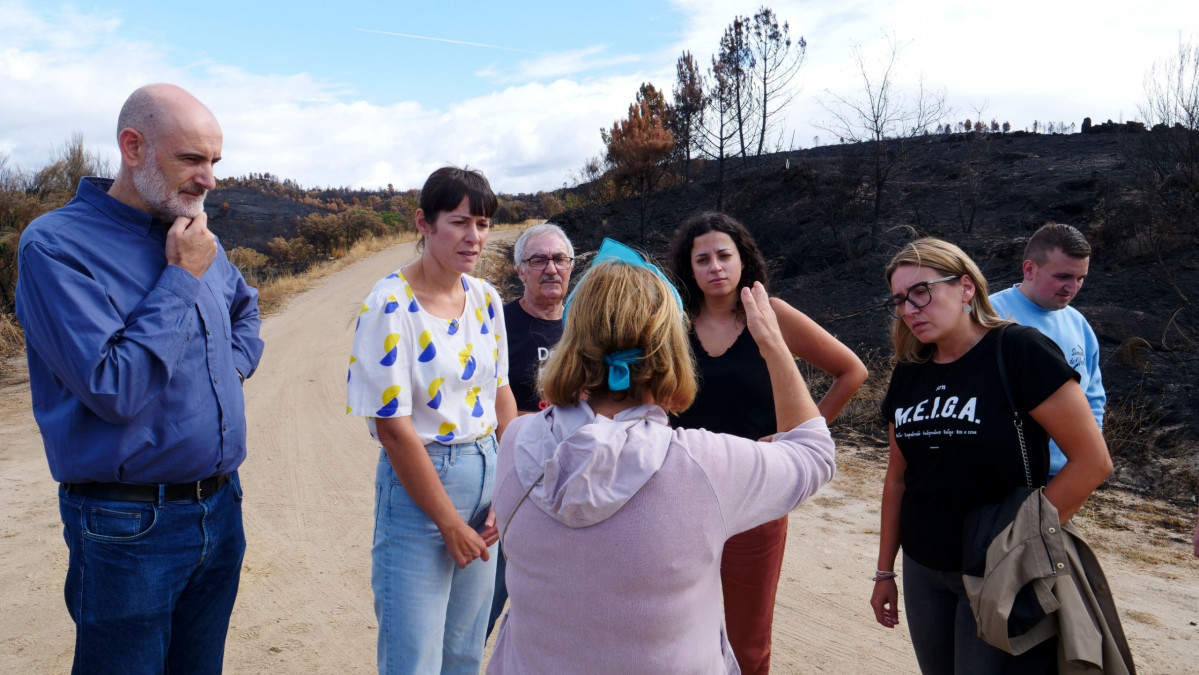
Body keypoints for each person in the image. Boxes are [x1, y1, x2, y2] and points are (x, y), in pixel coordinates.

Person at [487, 239, 837, 674]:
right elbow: (814, 453)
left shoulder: (517, 442)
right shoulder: (703, 466)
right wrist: (773, 344)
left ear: (571, 341)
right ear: (671, 350)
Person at [15, 83, 263, 673]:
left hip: (220, 508)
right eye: (191, 159)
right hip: (128, 527)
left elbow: (244, 310)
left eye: (214, 162)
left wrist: (229, 368)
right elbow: (113, 386)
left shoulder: (196, 234)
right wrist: (180, 279)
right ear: (133, 146)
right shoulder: (54, 246)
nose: (208, 179)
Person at [871, 237, 1113, 674]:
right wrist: (884, 571)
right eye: (900, 300)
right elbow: (898, 480)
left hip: (998, 570)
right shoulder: (909, 373)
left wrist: (1020, 546)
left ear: (966, 288)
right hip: (924, 568)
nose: (909, 310)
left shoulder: (1019, 351)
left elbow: (1092, 462)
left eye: (922, 292)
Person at [666, 211, 867, 674]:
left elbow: (851, 371)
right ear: (689, 268)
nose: (715, 266)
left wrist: (801, 435)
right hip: (682, 492)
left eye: (724, 255)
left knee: (747, 640)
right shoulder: (672, 319)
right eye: (702, 259)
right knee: (677, 626)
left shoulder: (769, 313)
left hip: (756, 492)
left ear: (742, 260)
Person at [345, 166, 517, 674]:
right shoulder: (388, 304)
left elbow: (500, 393)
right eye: (460, 222)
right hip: (423, 490)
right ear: (424, 222)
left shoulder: (486, 300)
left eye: (482, 224)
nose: (474, 237)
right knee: (413, 655)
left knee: (464, 651)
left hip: (486, 476)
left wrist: (509, 484)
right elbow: (395, 432)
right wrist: (449, 523)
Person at [488, 222, 575, 635]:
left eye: (560, 259)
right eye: (538, 259)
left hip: (574, 491)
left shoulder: (586, 329)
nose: (551, 268)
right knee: (479, 612)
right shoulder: (496, 325)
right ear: (520, 270)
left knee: (555, 621)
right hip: (511, 483)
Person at [990, 222, 1105, 476]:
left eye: (1080, 278)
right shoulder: (988, 317)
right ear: (1030, 269)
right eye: (1062, 276)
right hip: (1002, 474)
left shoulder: (1079, 324)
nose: (1072, 287)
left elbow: (1093, 398)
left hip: (1065, 475)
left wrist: (1087, 458)